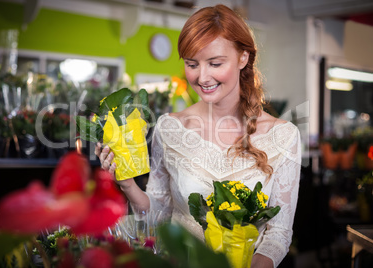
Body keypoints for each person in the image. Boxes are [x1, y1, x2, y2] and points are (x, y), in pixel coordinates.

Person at [95, 4, 301, 268]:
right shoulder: (169, 129)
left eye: (215, 63)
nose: (202, 77)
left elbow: (279, 234)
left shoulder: (284, 136)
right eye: (192, 64)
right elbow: (158, 217)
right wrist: (126, 184)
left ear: (243, 58)